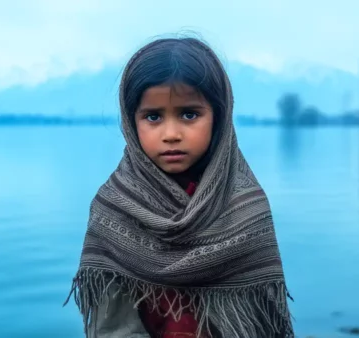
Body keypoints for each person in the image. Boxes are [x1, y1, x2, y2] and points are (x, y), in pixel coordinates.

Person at [65, 36, 294, 338]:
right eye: (153, 117)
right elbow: (113, 329)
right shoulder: (114, 207)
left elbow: (262, 320)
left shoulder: (245, 204)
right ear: (131, 122)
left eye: (189, 114)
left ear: (219, 118)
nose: (171, 134)